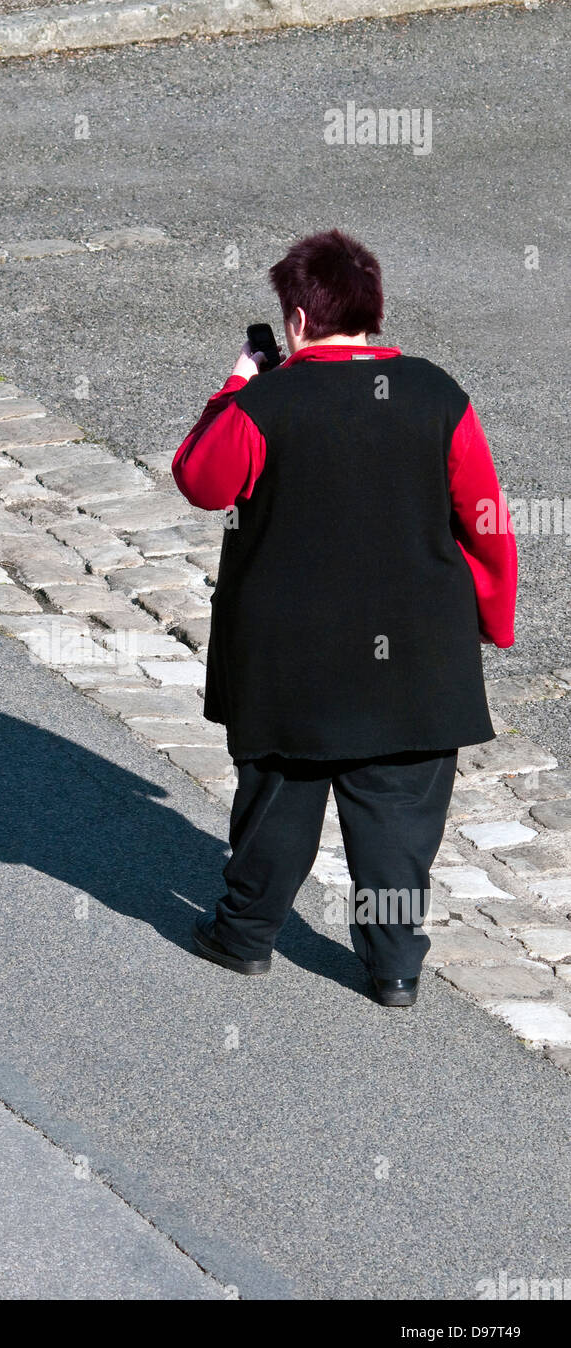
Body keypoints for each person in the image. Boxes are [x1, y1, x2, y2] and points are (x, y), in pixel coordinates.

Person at [172, 229, 518, 1006]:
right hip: (420, 656)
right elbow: (487, 518)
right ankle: (393, 968)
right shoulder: (437, 393)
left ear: (296, 318)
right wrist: (491, 617)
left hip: (289, 655)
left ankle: (244, 934)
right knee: (396, 817)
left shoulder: (264, 403)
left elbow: (201, 480)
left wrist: (234, 386)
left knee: (280, 797)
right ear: (373, 308)